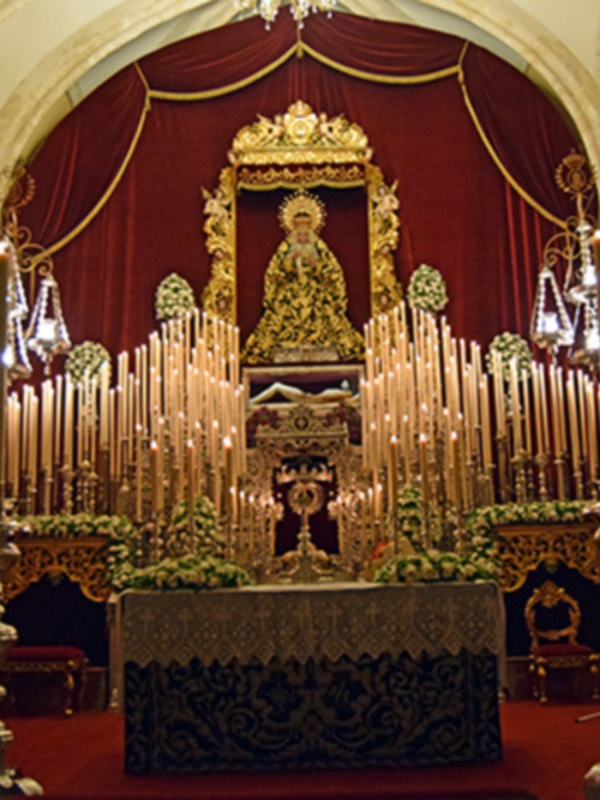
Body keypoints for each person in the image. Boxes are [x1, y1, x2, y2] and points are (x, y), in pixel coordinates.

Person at [242, 191, 364, 364]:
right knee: (276, 320)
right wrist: (289, 265)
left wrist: (316, 266)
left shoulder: (320, 248)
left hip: (316, 294)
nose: (301, 237)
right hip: (290, 294)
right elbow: (274, 273)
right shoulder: (285, 250)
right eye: (298, 233)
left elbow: (333, 271)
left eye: (305, 233)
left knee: (331, 318)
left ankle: (336, 346)